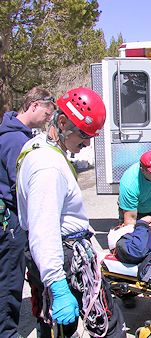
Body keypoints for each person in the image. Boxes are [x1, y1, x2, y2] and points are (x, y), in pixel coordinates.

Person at [16, 87, 126, 337]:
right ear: (62, 122)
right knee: (108, 326)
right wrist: (57, 285)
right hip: (62, 260)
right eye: (84, 135)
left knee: (52, 325)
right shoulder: (48, 167)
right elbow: (44, 229)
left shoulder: (38, 147)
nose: (87, 143)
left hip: (54, 258)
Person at [0, 87, 56, 337]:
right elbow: (21, 188)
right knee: (9, 281)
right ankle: (8, 332)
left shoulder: (14, 134)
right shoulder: (15, 140)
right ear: (34, 105)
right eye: (47, 111)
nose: (48, 117)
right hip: (10, 223)